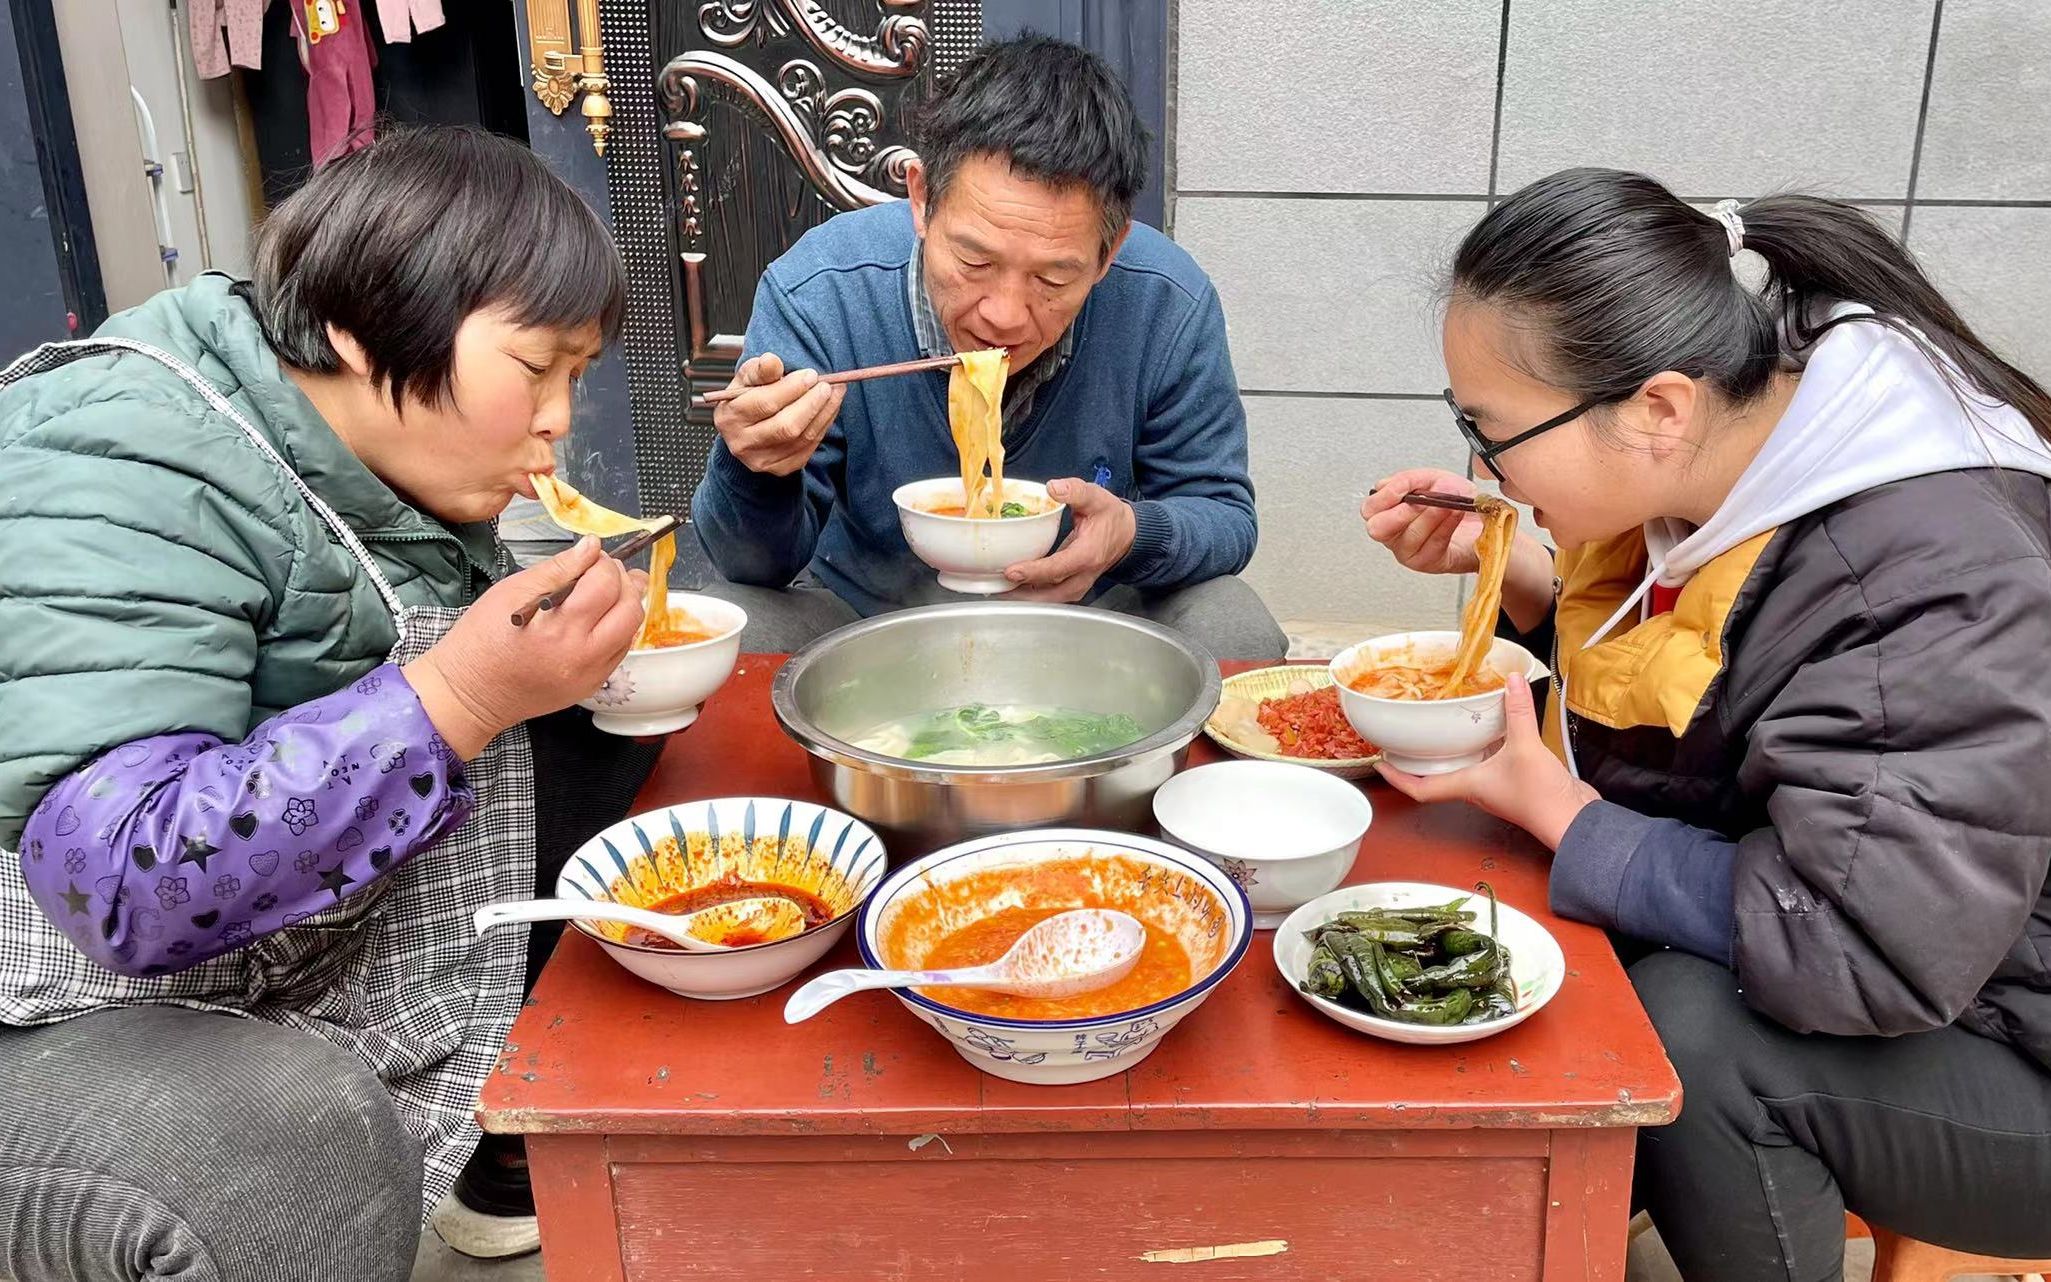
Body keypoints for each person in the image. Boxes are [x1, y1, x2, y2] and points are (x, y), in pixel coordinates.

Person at [1362, 169, 2051, 1279]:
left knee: (1696, 1029)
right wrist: (1529, 579)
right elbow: (1727, 683)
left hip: (2007, 1036)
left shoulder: (1929, 583)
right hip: (1934, 945)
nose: (1480, 469)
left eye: (1489, 430)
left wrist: (1566, 814)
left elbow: (1856, 946)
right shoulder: (1757, 431)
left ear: (1657, 407)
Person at [0, 126, 664, 1276]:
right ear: (366, 328)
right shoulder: (123, 452)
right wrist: (461, 690)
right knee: (294, 1145)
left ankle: (486, 1137)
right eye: (537, 367)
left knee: (632, 734)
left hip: (271, 936)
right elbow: (119, 879)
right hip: (61, 1002)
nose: (560, 419)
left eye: (578, 377)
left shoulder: (364, 448)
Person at [692, 35, 1286, 661]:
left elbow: (1223, 515)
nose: (1004, 316)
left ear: (1109, 253)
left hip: (1089, 619)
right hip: (867, 619)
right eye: (974, 260)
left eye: (1052, 280)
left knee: (1232, 626)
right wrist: (756, 467)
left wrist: (1132, 534)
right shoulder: (821, 292)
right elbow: (751, 565)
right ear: (921, 199)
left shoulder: (1165, 301)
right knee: (742, 628)